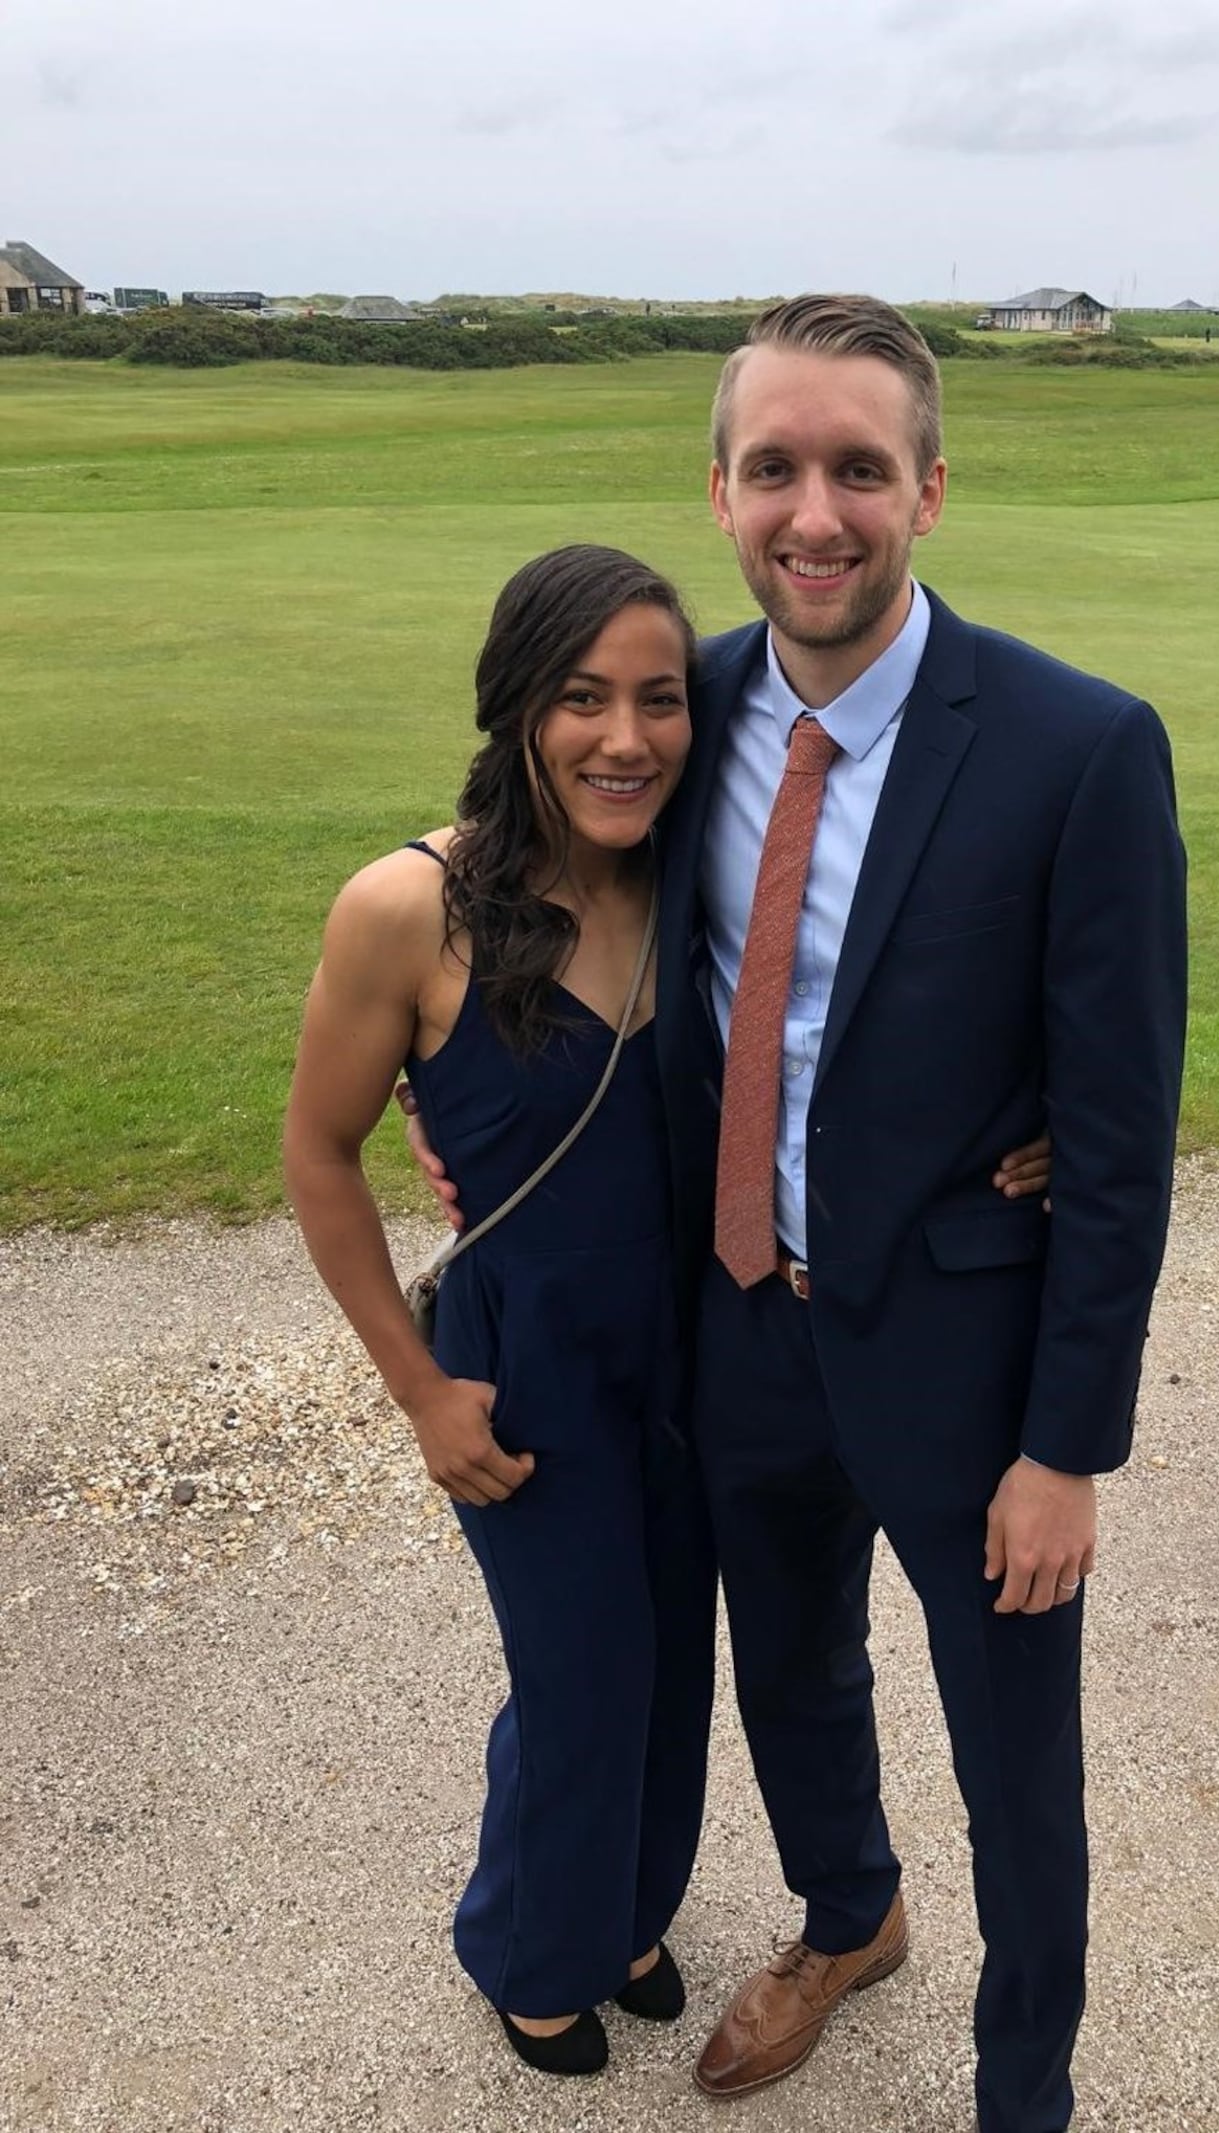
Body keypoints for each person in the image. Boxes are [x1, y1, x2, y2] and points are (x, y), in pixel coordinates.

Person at [414, 294, 1185, 2132]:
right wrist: (452, 1099)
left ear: (930, 488)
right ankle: (853, 1917)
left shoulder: (1081, 747)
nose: (813, 511)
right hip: (742, 1324)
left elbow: (1124, 1123)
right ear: (723, 488)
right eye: (776, 469)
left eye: (857, 468)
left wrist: (1068, 1443)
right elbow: (535, 889)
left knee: (1019, 1758)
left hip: (970, 1359)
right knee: (792, 1672)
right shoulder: (693, 713)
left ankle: (1027, 2085)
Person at [282, 546, 720, 2077]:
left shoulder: (696, 870)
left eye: (660, 699)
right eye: (582, 697)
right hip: (524, 1367)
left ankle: (626, 1910)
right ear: (517, 705)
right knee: (584, 1667)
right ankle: (531, 1945)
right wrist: (419, 1393)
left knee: (675, 1658)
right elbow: (316, 1153)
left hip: (690, 1352)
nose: (625, 737)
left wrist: (1042, 1119)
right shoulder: (409, 905)